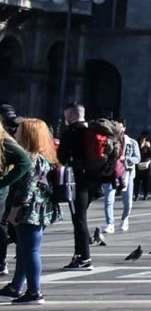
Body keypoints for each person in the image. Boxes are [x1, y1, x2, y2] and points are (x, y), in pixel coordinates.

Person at [2, 114, 55, 304]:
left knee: (30, 250)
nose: (15, 132)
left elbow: (27, 188)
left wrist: (16, 209)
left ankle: (34, 291)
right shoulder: (42, 157)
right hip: (39, 208)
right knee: (26, 249)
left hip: (28, 208)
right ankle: (17, 286)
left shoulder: (29, 159)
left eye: (20, 130)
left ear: (29, 135)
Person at [58, 103, 109, 267]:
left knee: (79, 219)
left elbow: (62, 157)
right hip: (94, 181)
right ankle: (81, 252)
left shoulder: (71, 132)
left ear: (70, 116)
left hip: (78, 181)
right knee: (80, 218)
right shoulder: (92, 130)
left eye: (66, 116)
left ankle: (83, 257)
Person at [134, 134, 151, 204]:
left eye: (144, 140)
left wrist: (149, 147)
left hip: (146, 167)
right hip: (138, 166)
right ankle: (136, 194)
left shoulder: (149, 147)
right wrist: (141, 146)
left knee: (146, 182)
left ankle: (145, 194)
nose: (143, 141)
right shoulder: (137, 146)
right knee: (136, 181)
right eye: (141, 140)